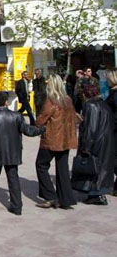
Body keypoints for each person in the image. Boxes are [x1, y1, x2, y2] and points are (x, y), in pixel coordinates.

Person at [0, 91, 45, 215]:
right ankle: (16, 206)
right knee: (13, 178)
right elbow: (27, 130)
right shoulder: (17, 116)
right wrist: (41, 130)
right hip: (12, 152)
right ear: (6, 102)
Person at [34, 74, 78, 209]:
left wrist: (36, 124)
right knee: (62, 168)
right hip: (66, 139)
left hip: (52, 139)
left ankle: (50, 196)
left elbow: (41, 120)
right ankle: (66, 199)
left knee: (41, 165)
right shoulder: (68, 100)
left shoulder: (51, 101)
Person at [72, 84, 115, 205]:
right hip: (105, 142)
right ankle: (99, 193)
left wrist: (86, 147)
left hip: (96, 143)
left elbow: (91, 128)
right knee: (101, 169)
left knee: (92, 168)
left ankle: (95, 195)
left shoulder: (90, 106)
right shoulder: (104, 104)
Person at [105, 71, 117, 195]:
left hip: (114, 129)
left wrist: (111, 123)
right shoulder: (112, 91)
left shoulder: (115, 94)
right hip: (112, 128)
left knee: (113, 158)